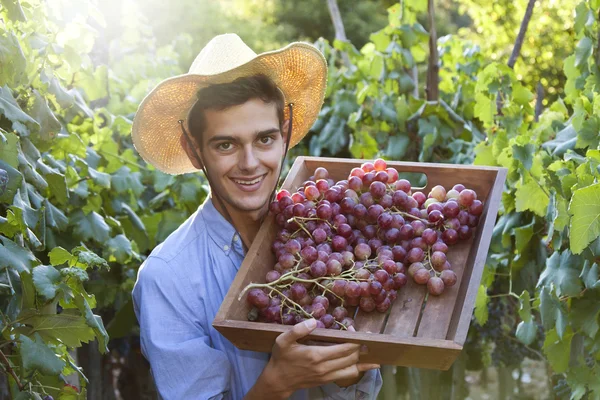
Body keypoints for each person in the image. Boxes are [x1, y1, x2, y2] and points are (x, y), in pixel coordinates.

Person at [131, 33, 383, 400]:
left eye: (264, 139)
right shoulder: (168, 278)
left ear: (284, 135)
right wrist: (276, 384)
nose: (250, 164)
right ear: (194, 149)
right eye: (226, 145)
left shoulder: (325, 238)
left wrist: (346, 374)